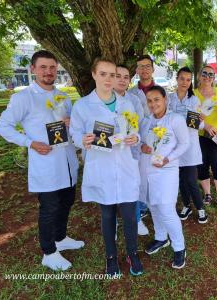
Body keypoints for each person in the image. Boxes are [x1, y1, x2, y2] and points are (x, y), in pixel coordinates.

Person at [0, 50, 84, 271]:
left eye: (52, 67)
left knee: (67, 202)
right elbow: (2, 127)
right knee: (50, 207)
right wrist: (30, 143)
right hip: (46, 163)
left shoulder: (63, 97)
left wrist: (70, 122)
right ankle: (49, 251)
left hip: (67, 161)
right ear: (33, 69)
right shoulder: (23, 98)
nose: (48, 72)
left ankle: (60, 238)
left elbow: (73, 126)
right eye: (43, 67)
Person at [70, 58, 143, 277]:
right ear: (94, 75)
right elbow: (74, 133)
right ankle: (111, 257)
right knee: (108, 215)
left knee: (130, 216)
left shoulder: (126, 104)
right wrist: (82, 139)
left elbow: (135, 130)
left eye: (112, 75)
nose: (108, 79)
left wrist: (135, 138)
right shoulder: (83, 105)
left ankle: (132, 253)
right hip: (101, 167)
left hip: (125, 166)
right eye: (103, 74)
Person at [140, 85, 189, 269]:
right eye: (150, 101)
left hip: (167, 171)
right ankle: (161, 238)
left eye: (157, 100)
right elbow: (142, 142)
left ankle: (179, 247)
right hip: (148, 170)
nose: (153, 104)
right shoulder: (146, 121)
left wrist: (168, 159)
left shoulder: (175, 120)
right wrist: (142, 147)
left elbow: (185, 144)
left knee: (167, 210)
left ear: (165, 100)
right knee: (153, 205)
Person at [167, 67, 208, 224]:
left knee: (191, 179)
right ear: (177, 79)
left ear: (191, 82)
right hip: (174, 146)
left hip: (190, 146)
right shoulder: (169, 98)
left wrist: (201, 120)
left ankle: (200, 207)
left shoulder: (194, 100)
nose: (185, 82)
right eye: (182, 78)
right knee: (180, 179)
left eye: (188, 79)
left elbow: (200, 125)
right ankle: (186, 205)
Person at [114, 64, 149, 236]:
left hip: (131, 152)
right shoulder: (103, 100)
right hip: (110, 154)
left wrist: (137, 139)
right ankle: (111, 222)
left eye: (126, 77)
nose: (122, 80)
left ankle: (136, 219)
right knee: (111, 187)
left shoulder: (134, 100)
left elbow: (140, 125)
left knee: (133, 186)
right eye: (118, 76)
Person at [194, 65, 217, 210]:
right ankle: (207, 193)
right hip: (199, 135)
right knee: (202, 166)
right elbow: (191, 118)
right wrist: (205, 125)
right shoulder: (193, 94)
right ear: (199, 75)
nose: (207, 77)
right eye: (204, 73)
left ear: (214, 78)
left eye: (211, 74)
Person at [128, 55, 154, 219]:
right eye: (140, 66)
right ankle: (142, 206)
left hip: (156, 140)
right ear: (136, 70)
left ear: (153, 69)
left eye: (147, 66)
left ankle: (153, 204)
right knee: (139, 176)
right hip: (137, 142)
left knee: (154, 174)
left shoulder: (162, 91)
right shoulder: (130, 94)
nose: (144, 69)